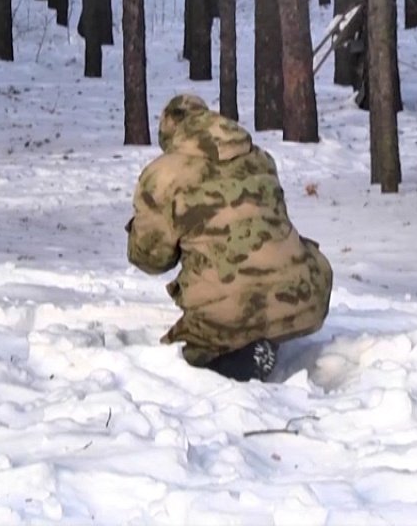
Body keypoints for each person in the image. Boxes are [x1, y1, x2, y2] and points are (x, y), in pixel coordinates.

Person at [126, 94, 333, 382]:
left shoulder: (162, 175)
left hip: (226, 312)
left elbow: (149, 258)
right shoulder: (259, 157)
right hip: (306, 297)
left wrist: (140, 225)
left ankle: (239, 360)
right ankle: (266, 335)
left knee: (184, 370)